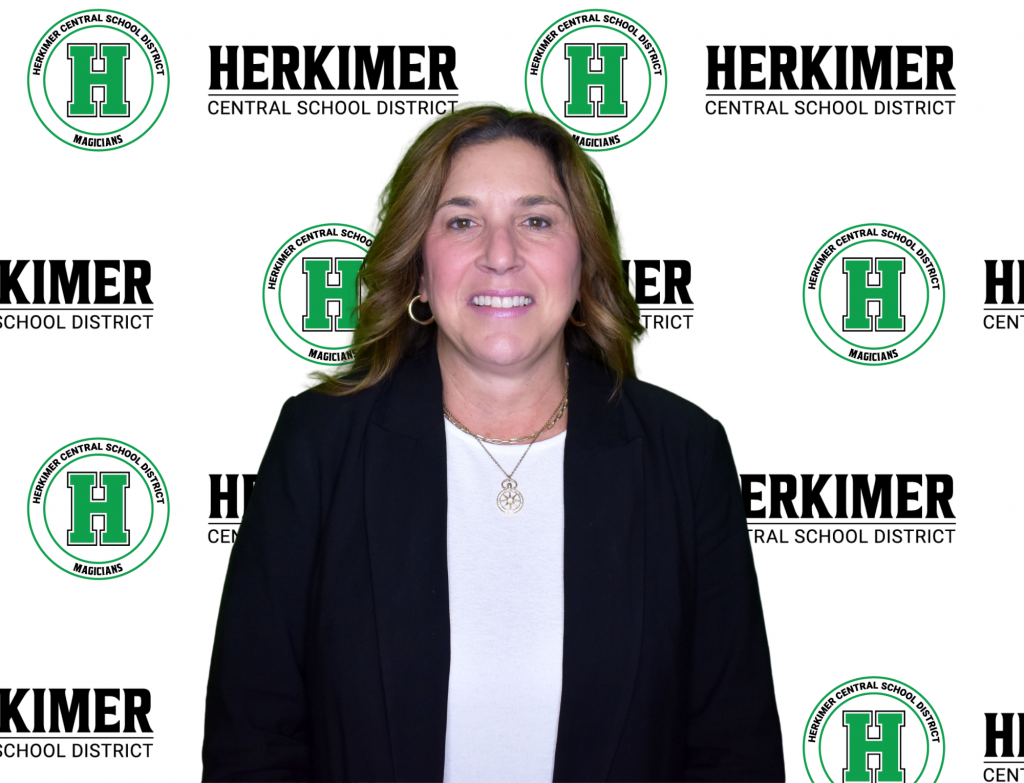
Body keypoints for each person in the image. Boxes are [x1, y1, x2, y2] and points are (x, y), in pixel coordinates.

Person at [202, 105, 784, 782]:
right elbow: (253, 740)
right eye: (461, 221)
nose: (500, 254)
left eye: (536, 220)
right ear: (420, 270)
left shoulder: (685, 454)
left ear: (583, 261)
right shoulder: (320, 444)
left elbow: (732, 750)